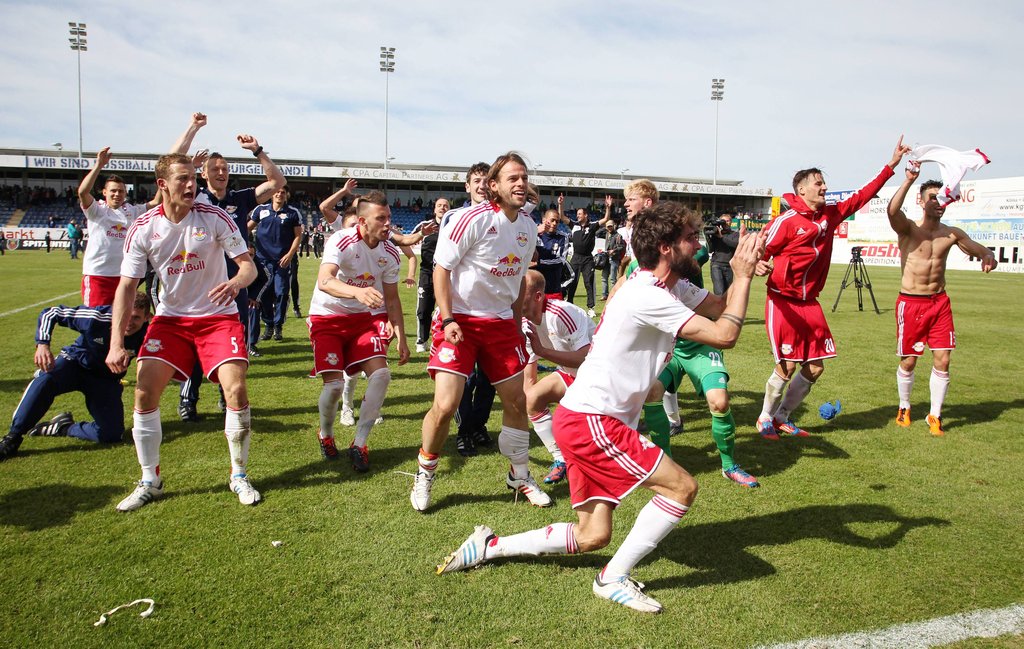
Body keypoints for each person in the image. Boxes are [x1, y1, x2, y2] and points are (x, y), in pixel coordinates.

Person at [436, 201, 765, 614]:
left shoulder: (670, 286)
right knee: (682, 487)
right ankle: (611, 578)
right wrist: (743, 274)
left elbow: (719, 307)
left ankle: (490, 546)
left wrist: (742, 272)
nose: (698, 246)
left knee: (593, 535)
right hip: (595, 420)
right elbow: (725, 334)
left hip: (585, 417)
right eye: (689, 239)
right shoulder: (647, 293)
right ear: (665, 247)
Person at [105, 152, 259, 511]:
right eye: (182, 179)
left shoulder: (215, 217)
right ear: (163, 185)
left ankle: (239, 475)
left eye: (193, 178)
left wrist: (236, 282)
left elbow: (248, 268)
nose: (191, 185)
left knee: (235, 388)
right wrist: (116, 344)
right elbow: (127, 288)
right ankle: (150, 480)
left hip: (218, 318)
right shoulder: (143, 227)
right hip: (171, 320)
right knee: (144, 393)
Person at [411, 152, 550, 511]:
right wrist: (447, 319)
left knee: (518, 402)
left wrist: (518, 320)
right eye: (512, 179)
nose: (520, 184)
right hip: (460, 322)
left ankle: (519, 475)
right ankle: (425, 471)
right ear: (493, 186)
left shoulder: (527, 228)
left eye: (524, 178)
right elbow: (441, 270)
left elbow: (519, 278)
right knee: (445, 405)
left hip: (502, 324)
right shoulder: (469, 219)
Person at [756, 137, 910, 439]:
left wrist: (891, 165)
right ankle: (764, 418)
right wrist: (759, 263)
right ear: (802, 189)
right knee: (786, 367)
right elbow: (760, 250)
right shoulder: (786, 221)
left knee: (815, 367)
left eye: (824, 183)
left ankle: (782, 417)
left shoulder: (831, 214)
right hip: (783, 301)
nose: (824, 187)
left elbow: (865, 194)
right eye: (818, 183)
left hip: (810, 303)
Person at [171, 112, 285, 422]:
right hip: (199, 283)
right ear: (203, 174)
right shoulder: (194, 198)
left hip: (235, 283)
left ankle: (226, 398)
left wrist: (259, 152)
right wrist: (193, 131)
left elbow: (277, 182)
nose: (221, 172)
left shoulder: (241, 198)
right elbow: (172, 163)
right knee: (196, 344)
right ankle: (188, 400)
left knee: (231, 344)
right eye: (215, 169)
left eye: (225, 169)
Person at [886, 165, 997, 436]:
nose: (938, 202)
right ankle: (904, 406)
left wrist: (987, 256)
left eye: (941, 197)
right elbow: (892, 211)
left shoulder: (952, 234)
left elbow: (978, 247)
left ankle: (934, 415)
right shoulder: (909, 229)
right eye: (932, 197)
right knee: (909, 361)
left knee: (943, 360)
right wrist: (909, 180)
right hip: (911, 303)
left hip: (939, 303)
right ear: (921, 201)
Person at [308, 190, 409, 471]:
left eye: (389, 217)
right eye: (381, 218)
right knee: (334, 386)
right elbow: (325, 281)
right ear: (363, 222)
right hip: (327, 317)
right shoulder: (341, 240)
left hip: (361, 322)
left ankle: (360, 443)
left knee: (381, 374)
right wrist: (356, 292)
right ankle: (326, 434)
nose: (388, 223)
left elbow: (391, 298)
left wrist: (401, 335)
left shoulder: (390, 253)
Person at [0, 295, 150, 461]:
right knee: (46, 380)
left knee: (112, 434)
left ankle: (64, 427)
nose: (129, 321)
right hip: (74, 363)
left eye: (136, 317)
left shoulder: (149, 332)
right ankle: (13, 437)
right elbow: (51, 313)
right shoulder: (96, 318)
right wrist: (42, 345)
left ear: (146, 317)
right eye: (125, 314)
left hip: (105, 379)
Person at [521, 270, 595, 485]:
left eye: (519, 292)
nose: (513, 296)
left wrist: (543, 351)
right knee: (533, 398)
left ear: (537, 296)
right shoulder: (525, 323)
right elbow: (529, 377)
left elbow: (584, 357)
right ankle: (560, 459)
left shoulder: (561, 313)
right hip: (570, 374)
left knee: (579, 426)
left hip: (599, 377)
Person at [77, 148, 159, 306]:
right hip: (98, 276)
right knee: (95, 324)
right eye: (113, 191)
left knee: (122, 324)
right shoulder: (96, 210)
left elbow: (156, 203)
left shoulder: (131, 211)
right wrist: (99, 165)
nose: (117, 194)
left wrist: (164, 180)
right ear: (104, 192)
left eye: (121, 191)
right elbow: (82, 192)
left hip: (124, 277)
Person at [249, 185, 302, 342]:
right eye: (277, 192)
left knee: (282, 293)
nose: (279, 194)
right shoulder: (260, 210)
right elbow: (246, 228)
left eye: (283, 192)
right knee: (264, 294)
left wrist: (290, 255)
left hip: (282, 261)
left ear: (286, 195)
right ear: (272, 194)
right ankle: (269, 324)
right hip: (262, 261)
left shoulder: (292, 213)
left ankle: (278, 326)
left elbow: (298, 236)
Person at [565, 197, 613, 317]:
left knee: (589, 283)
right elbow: (562, 217)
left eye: (580, 214)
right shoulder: (574, 225)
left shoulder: (592, 226)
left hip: (587, 259)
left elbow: (606, 219)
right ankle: (569, 304)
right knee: (572, 282)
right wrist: (560, 205)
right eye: (577, 214)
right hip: (575, 258)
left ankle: (591, 308)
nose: (578, 216)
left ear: (586, 215)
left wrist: (608, 207)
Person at [412, 198, 448, 353]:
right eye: (439, 205)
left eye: (445, 206)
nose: (442, 208)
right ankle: (422, 340)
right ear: (434, 209)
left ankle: (443, 337)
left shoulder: (454, 225)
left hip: (447, 273)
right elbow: (408, 240)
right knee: (424, 309)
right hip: (427, 272)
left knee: (446, 307)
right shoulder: (424, 225)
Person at [535, 208, 571, 301]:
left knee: (553, 316)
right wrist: (534, 232)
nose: (555, 223)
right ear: (544, 220)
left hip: (554, 289)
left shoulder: (563, 237)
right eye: (552, 220)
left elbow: (561, 261)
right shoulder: (533, 234)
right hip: (535, 288)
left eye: (557, 221)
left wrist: (538, 262)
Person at [708, 213, 740, 296]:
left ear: (731, 222)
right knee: (719, 292)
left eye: (728, 221)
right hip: (716, 265)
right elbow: (710, 249)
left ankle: (727, 309)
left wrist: (721, 237)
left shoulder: (735, 234)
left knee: (728, 293)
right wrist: (709, 237)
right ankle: (718, 309)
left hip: (729, 266)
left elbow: (735, 244)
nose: (726, 223)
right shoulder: (715, 234)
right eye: (724, 221)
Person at [601, 220, 625, 300]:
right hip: (606, 258)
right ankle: (604, 295)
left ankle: (613, 294)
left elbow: (621, 246)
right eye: (608, 226)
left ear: (614, 226)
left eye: (611, 226)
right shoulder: (607, 234)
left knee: (613, 278)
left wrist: (613, 250)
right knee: (604, 277)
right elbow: (597, 233)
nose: (610, 228)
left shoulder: (618, 236)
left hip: (614, 258)